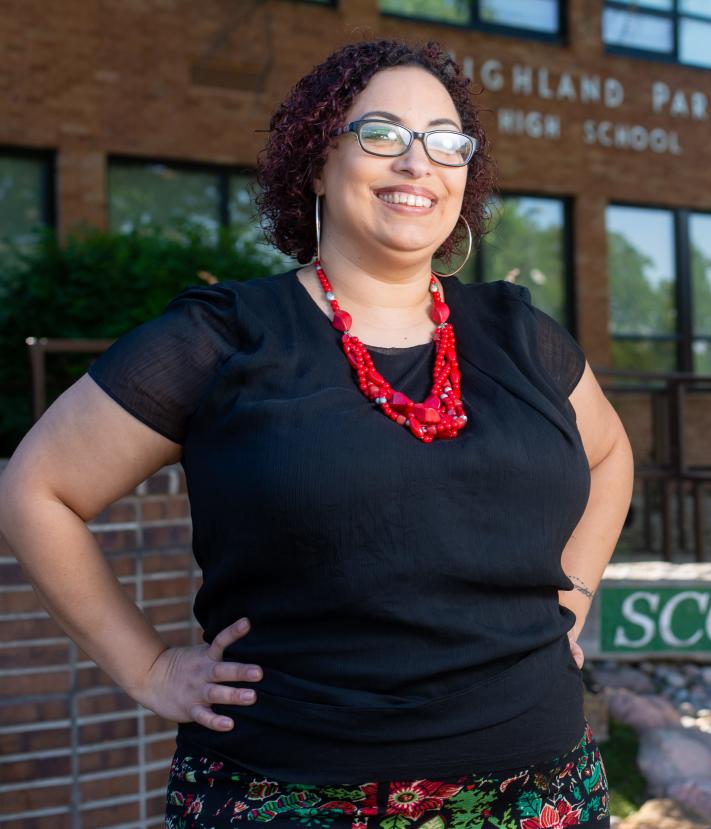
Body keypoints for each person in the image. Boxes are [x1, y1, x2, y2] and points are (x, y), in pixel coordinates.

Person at [0, 39, 633, 828]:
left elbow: (611, 456)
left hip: (540, 794)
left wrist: (571, 600)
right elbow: (37, 488)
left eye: (445, 141)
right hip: (287, 795)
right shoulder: (225, 338)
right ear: (316, 162)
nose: (417, 163)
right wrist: (151, 667)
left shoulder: (520, 334)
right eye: (382, 134)